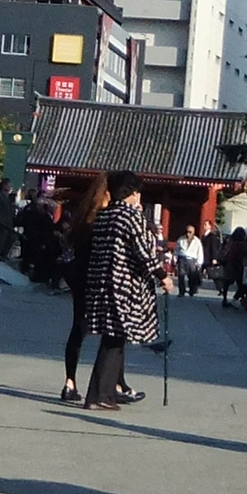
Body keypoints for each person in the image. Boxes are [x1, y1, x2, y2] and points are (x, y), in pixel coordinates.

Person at [81, 172, 165, 412]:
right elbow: (143, 252)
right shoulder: (130, 217)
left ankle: (105, 393)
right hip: (123, 286)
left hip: (100, 283)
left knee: (113, 338)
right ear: (132, 193)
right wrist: (162, 276)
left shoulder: (104, 215)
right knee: (114, 340)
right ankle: (99, 395)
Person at [58, 171, 110, 403]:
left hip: (78, 274)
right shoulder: (105, 217)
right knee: (112, 331)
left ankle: (69, 381)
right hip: (96, 276)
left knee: (78, 328)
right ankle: (112, 383)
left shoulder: (84, 214)